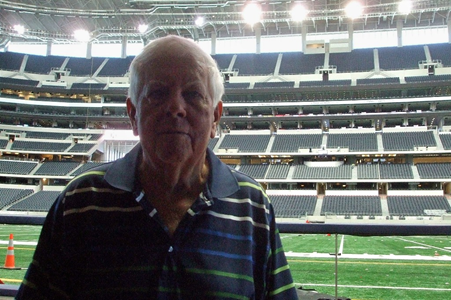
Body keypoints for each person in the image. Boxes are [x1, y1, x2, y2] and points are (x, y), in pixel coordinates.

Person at [16, 35, 298, 300]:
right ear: (133, 115)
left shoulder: (253, 206)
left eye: (193, 94)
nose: (175, 107)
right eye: (158, 93)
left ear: (215, 118)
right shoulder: (79, 203)